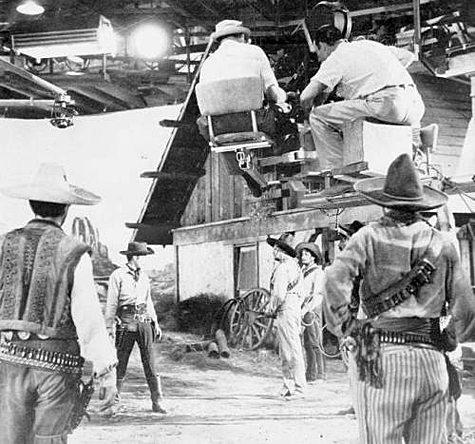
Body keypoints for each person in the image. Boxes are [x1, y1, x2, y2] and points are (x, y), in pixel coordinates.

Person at [324, 153, 475, 443]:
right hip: (431, 360)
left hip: (378, 354)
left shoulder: (367, 238)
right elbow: (466, 308)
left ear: (383, 202)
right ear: (420, 205)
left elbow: (333, 280)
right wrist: (449, 339)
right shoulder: (442, 243)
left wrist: (346, 328)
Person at [0, 163, 117, 444]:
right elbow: (88, 318)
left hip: (6, 365)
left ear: (31, 204)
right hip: (56, 369)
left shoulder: (3, 245)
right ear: (66, 210)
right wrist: (106, 372)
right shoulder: (75, 252)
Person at [300, 25, 425, 170]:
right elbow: (407, 56)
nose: (319, 58)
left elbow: (305, 97)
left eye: (317, 53)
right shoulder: (368, 44)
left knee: (318, 117)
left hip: (387, 104)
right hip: (414, 105)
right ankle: (417, 162)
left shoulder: (335, 57)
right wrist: (381, 78)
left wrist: (306, 113)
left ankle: (337, 174)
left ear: (322, 45)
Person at [197, 19, 300, 156]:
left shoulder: (207, 63)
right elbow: (272, 92)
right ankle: (281, 158)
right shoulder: (255, 52)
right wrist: (285, 98)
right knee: (288, 109)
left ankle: (244, 170)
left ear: (220, 40)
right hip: (254, 123)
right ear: (242, 36)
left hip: (216, 129)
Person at [105, 242, 166, 414]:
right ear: (135, 257)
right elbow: (111, 303)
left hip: (143, 320)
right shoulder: (117, 275)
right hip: (125, 321)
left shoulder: (144, 277)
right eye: (142, 257)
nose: (143, 260)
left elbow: (148, 301)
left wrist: (155, 322)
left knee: (150, 361)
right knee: (121, 361)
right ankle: (113, 403)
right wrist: (109, 326)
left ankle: (157, 401)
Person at [266, 233, 306, 400]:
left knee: (292, 348)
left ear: (282, 251)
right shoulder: (296, 267)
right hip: (293, 308)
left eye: (276, 249)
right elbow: (302, 293)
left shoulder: (283, 268)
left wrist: (271, 308)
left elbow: (279, 294)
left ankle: (299, 388)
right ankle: (288, 385)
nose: (274, 252)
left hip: (286, 309)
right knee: (287, 349)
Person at [296, 242, 326, 384]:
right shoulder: (302, 271)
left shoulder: (318, 272)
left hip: (312, 309)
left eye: (307, 254)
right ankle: (310, 373)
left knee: (315, 342)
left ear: (313, 257)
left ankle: (320, 374)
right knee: (307, 343)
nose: (303, 256)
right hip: (303, 308)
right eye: (302, 254)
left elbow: (317, 295)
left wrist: (306, 310)